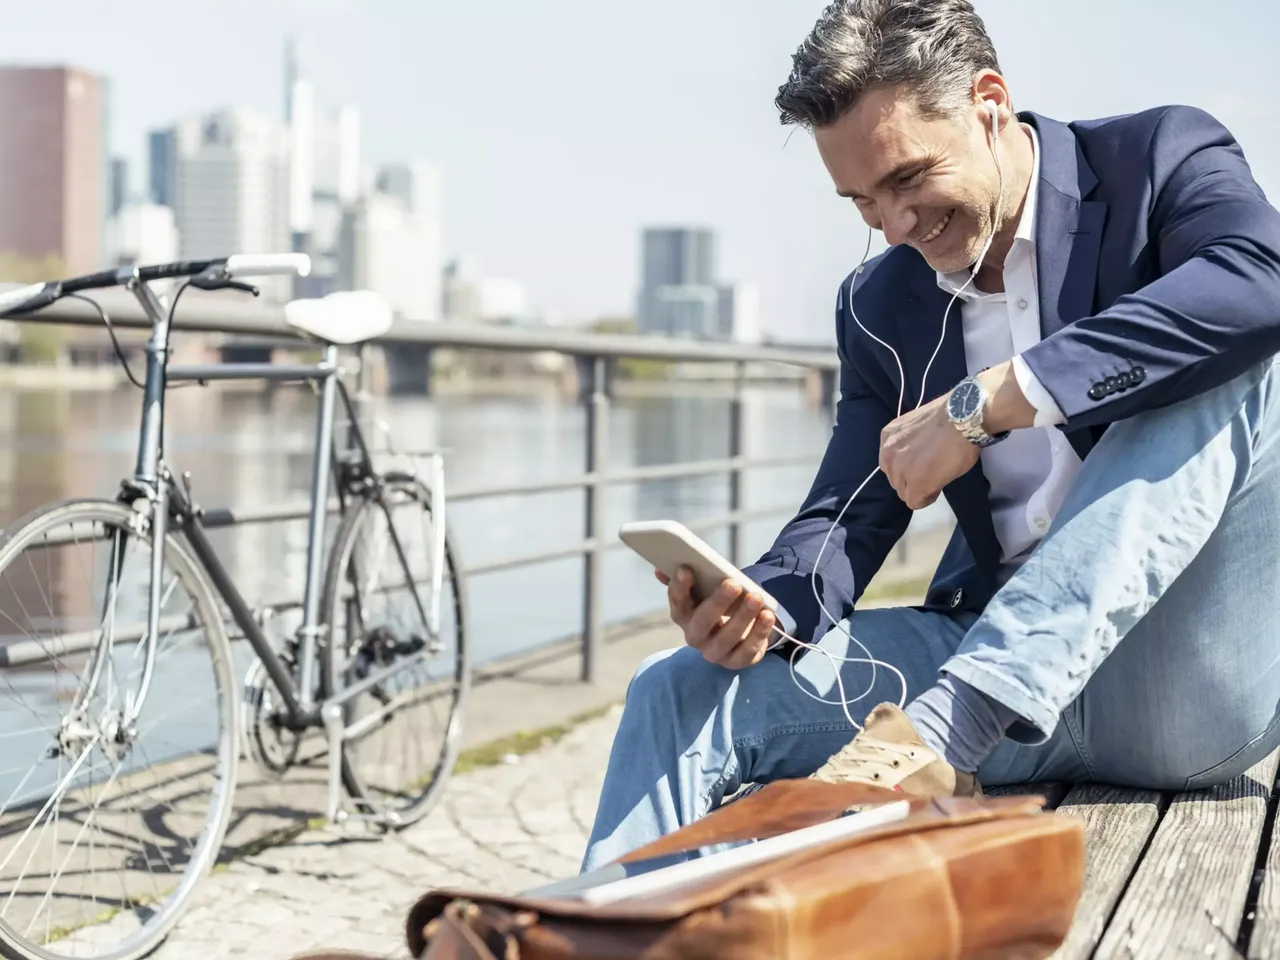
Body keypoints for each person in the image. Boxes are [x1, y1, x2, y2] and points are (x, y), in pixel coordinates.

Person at [580, 0, 1280, 873]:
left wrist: (997, 398)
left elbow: (1261, 284)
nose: (896, 227)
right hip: (973, 669)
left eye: (909, 179)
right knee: (675, 691)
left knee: (1232, 356)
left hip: (1182, 686)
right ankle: (596, 931)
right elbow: (844, 519)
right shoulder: (879, 306)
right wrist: (757, 608)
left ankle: (955, 727)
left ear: (989, 101)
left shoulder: (1159, 158)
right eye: (862, 202)